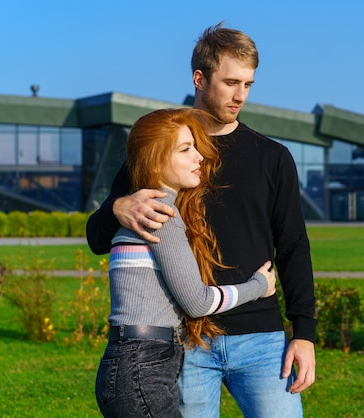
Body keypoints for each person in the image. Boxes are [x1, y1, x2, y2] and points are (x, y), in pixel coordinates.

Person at [86, 22, 316, 417]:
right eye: (230, 82)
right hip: (189, 342)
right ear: (199, 77)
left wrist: (305, 334)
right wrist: (116, 208)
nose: (240, 95)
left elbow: (293, 245)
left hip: (262, 340)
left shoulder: (272, 157)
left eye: (248, 84)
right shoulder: (162, 152)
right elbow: (97, 237)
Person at [94, 108, 277, 418]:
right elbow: (197, 302)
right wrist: (259, 286)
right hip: (143, 367)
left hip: (129, 362)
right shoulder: (161, 215)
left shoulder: (139, 212)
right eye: (185, 149)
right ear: (155, 160)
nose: (199, 157)